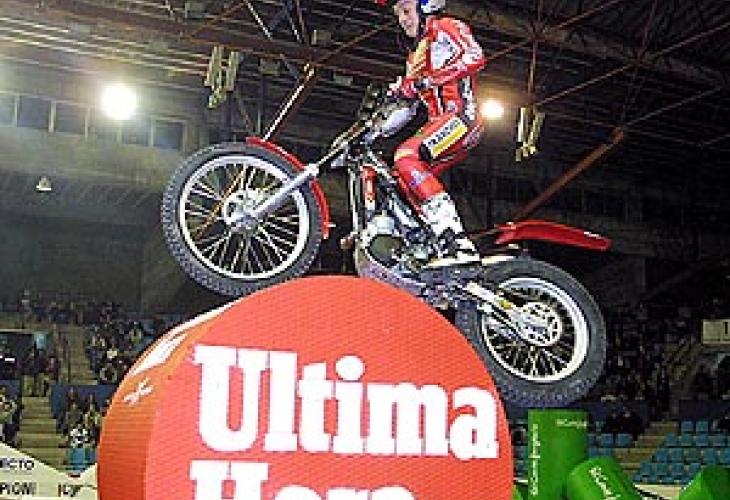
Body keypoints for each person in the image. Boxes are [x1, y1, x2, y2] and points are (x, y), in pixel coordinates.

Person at [380, 0, 486, 266]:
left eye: (406, 11)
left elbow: (476, 57)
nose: (402, 20)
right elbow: (408, 107)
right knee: (400, 180)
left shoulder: (447, 27)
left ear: (426, 6)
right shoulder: (413, 57)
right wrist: (375, 130)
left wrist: (426, 81)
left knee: (406, 156)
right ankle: (431, 244)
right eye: (398, 15)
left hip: (461, 117)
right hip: (439, 123)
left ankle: (457, 241)